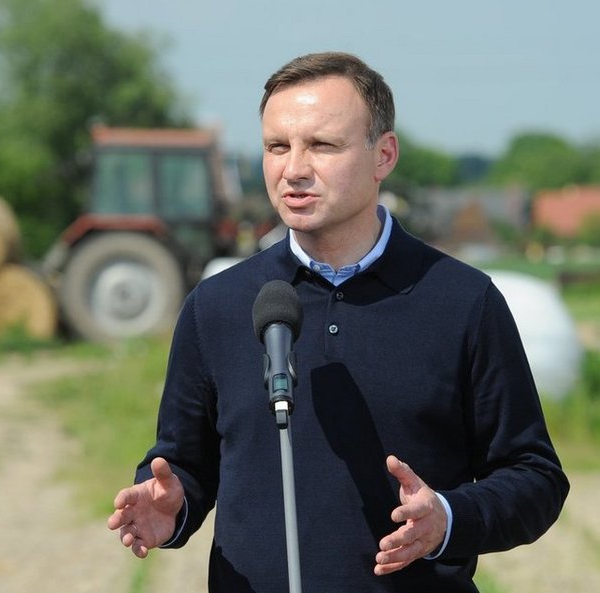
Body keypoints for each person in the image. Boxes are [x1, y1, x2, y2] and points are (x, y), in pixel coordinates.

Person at [106, 51, 569, 592]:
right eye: (277, 146)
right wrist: (172, 503)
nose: (294, 169)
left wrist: (447, 519)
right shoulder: (216, 306)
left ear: (384, 155)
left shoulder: (464, 301)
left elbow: (534, 478)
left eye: (322, 145)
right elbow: (184, 463)